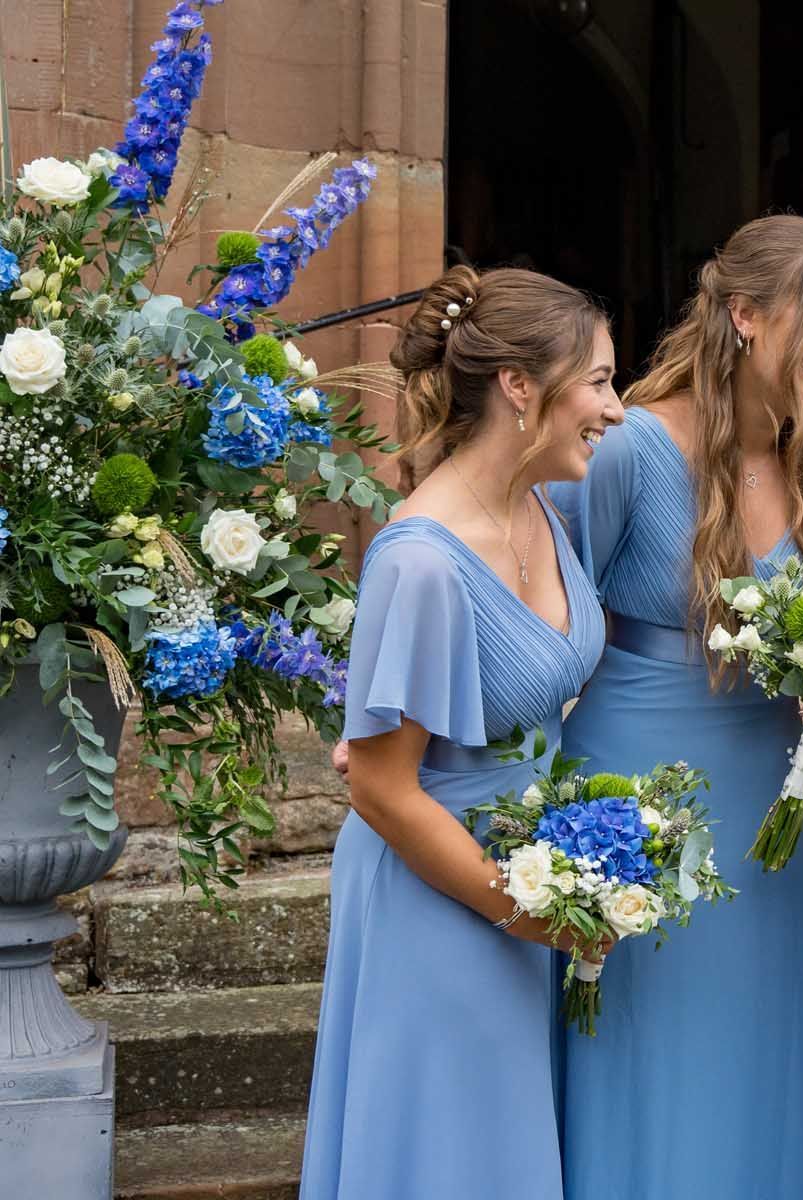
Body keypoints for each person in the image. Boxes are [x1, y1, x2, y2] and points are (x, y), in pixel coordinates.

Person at [548, 215, 803, 1198]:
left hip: (768, 797)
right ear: (744, 314)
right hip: (634, 781)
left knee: (750, 1046)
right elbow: (549, 619)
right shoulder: (632, 450)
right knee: (645, 1041)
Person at [299, 266, 621, 1199]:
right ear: (520, 386)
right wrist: (523, 909)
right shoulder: (420, 562)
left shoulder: (544, 510)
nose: (616, 409)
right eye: (599, 381)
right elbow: (380, 787)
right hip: (438, 895)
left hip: (528, 877)